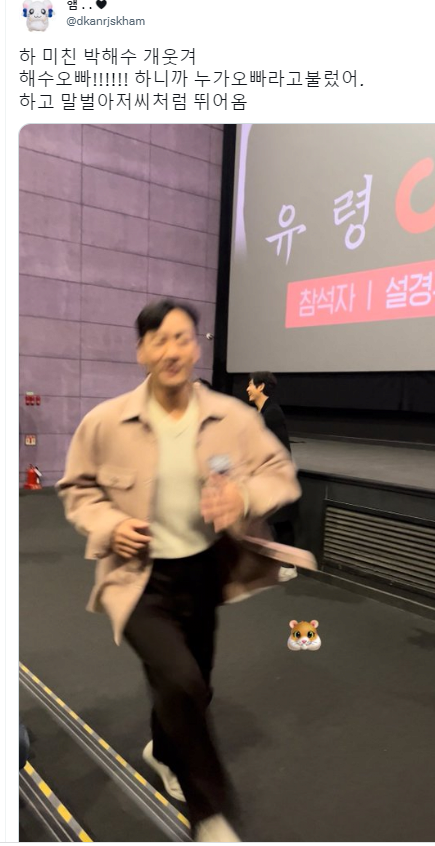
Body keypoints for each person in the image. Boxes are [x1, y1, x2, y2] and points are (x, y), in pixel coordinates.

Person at [57, 299, 303, 843]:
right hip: (138, 579)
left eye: (184, 338)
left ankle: (164, 750)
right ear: (141, 350)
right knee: (181, 678)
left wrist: (243, 497)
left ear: (196, 347)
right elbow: (78, 490)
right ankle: (210, 813)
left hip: (203, 573)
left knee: (193, 685)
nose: (173, 350)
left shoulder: (233, 419)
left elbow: (280, 473)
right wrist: (108, 526)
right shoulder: (106, 422)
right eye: (160, 339)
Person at [247, 372, 299, 581]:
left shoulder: (272, 413)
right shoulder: (263, 412)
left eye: (250, 385)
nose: (247, 389)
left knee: (281, 522)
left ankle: (289, 566)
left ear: (260, 387)